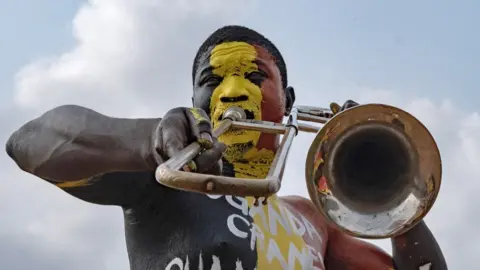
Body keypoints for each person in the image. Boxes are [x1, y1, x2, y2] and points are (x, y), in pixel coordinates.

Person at [6, 25, 447, 270]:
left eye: (254, 77)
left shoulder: (315, 222)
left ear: (288, 103)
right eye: (211, 82)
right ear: (195, 101)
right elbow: (30, 144)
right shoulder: (164, 182)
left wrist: (390, 195)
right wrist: (145, 140)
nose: (232, 95)